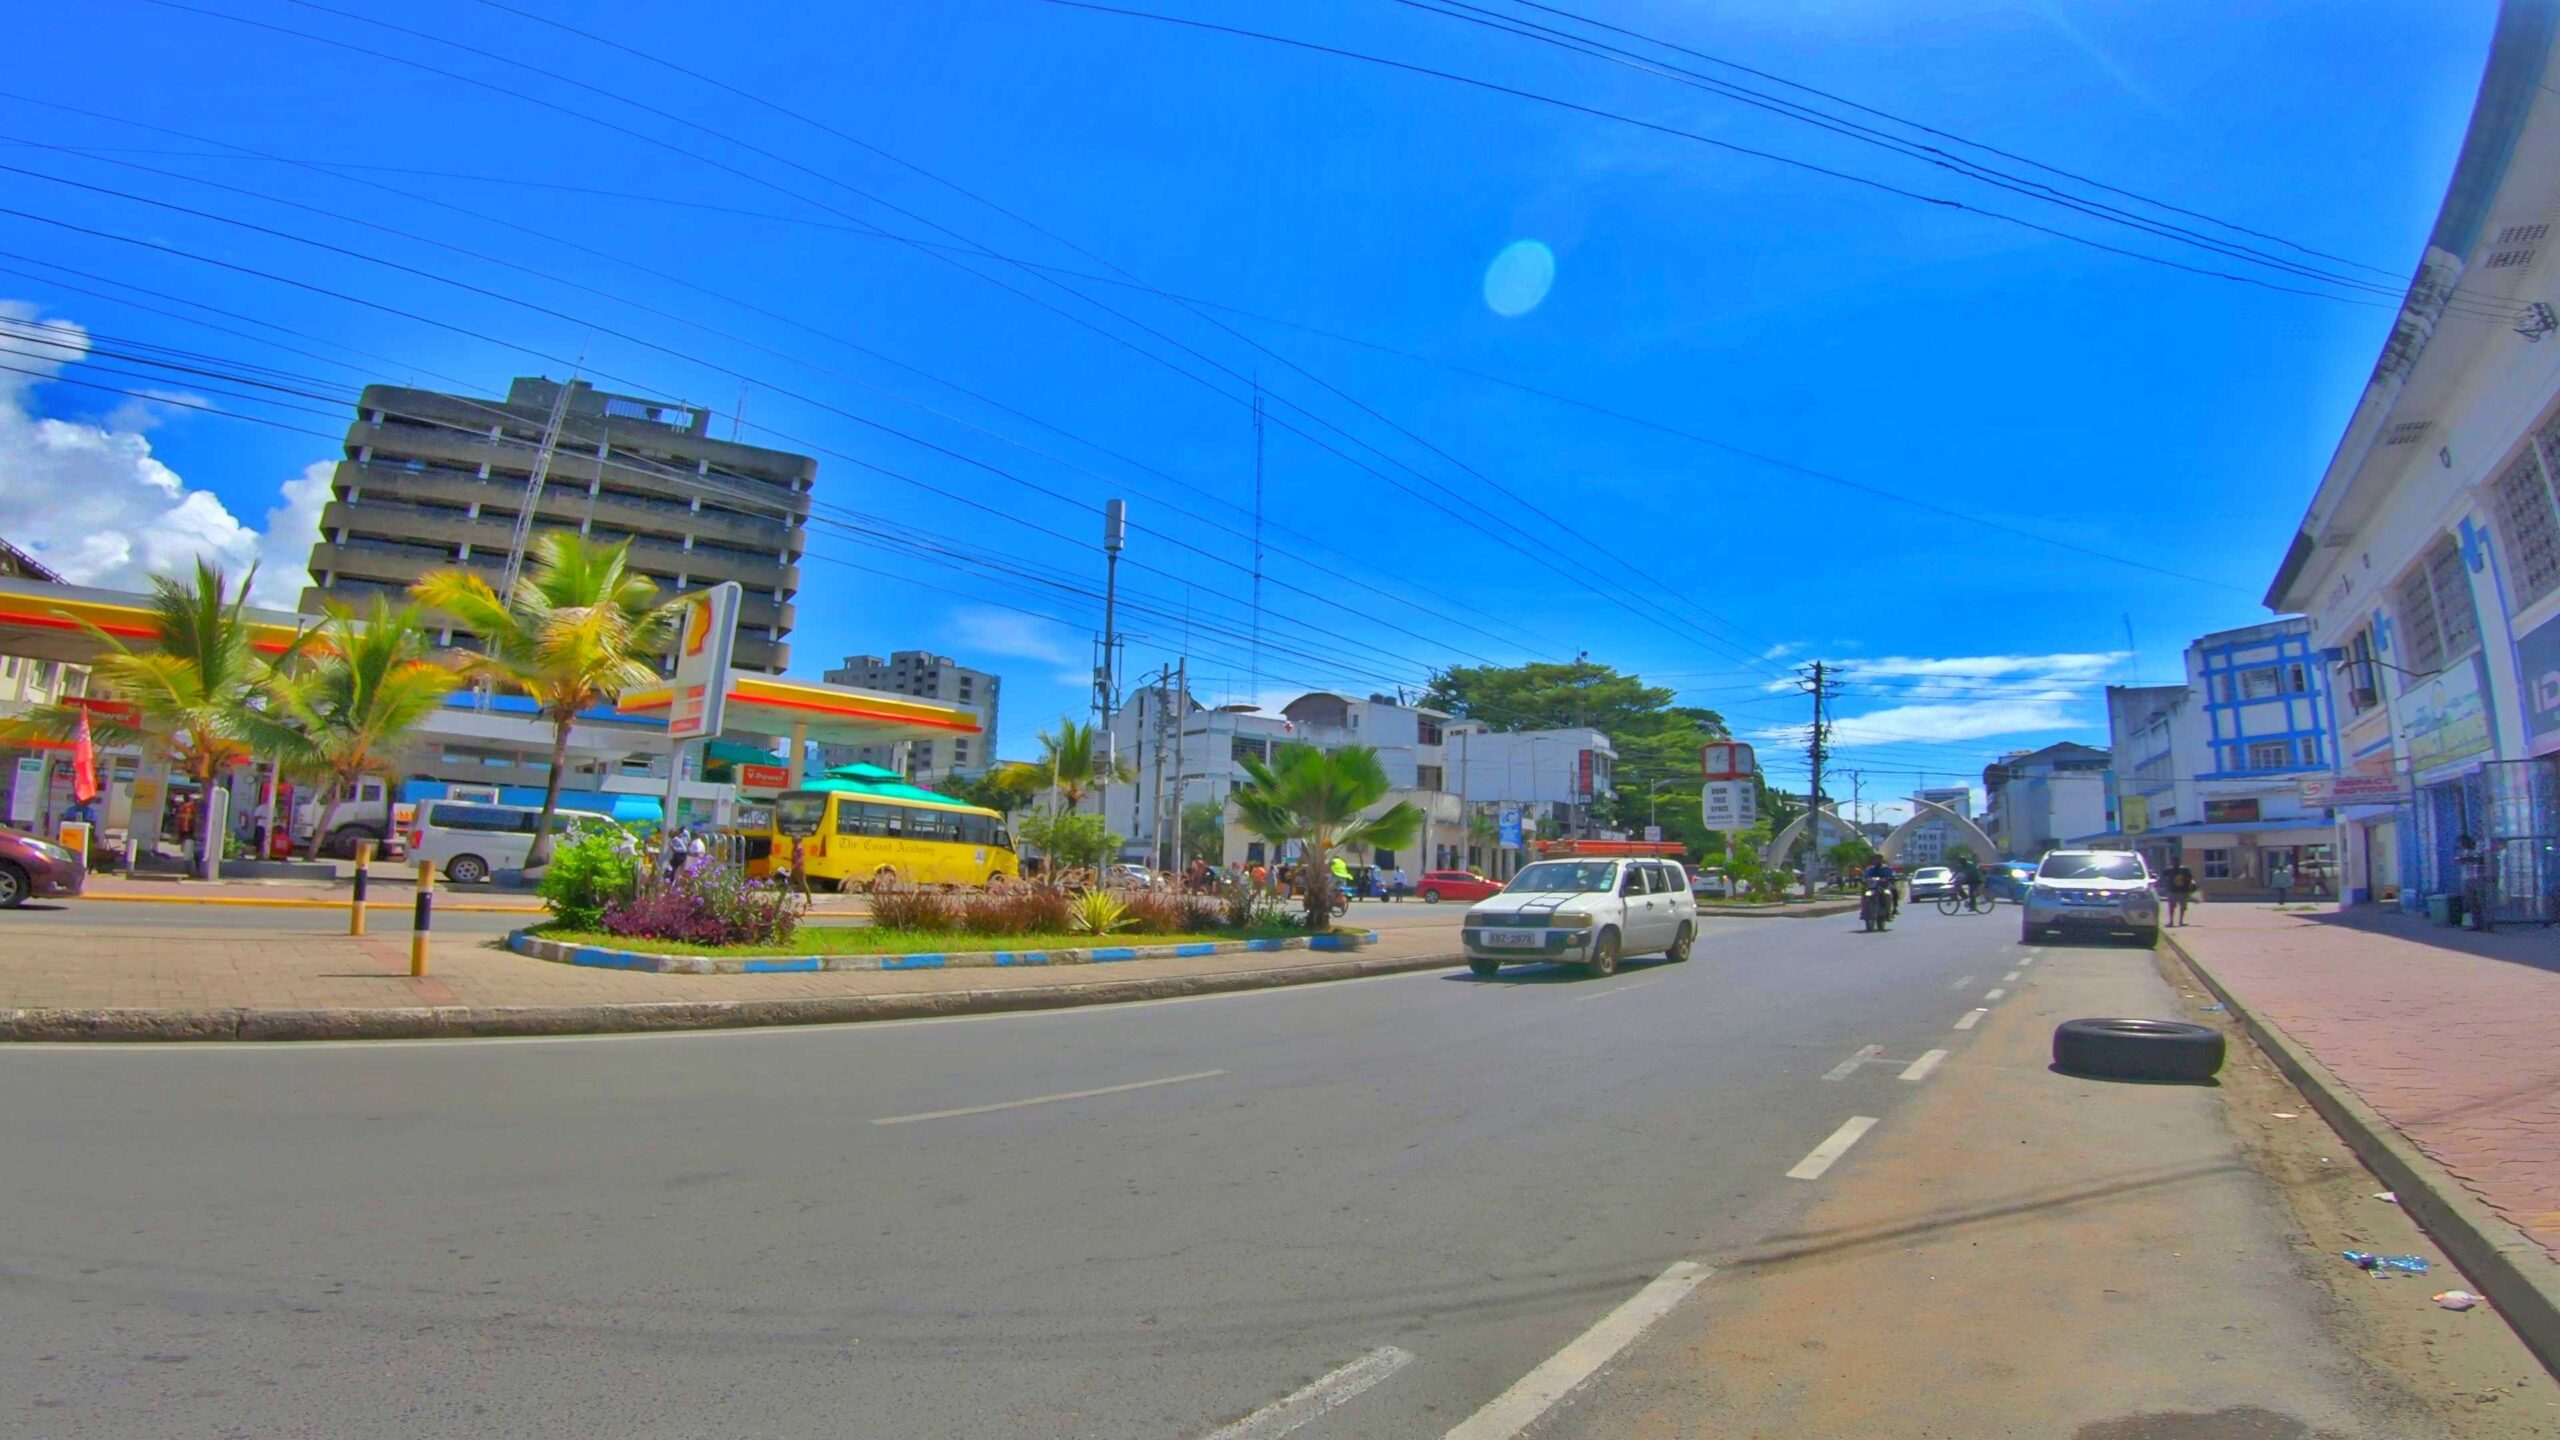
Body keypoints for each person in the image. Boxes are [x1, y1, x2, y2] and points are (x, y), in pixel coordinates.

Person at [1861, 854, 1899, 919]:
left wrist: (1892, 878)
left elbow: (1892, 875)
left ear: (1881, 860)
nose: (1876, 860)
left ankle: (1890, 911)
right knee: (1864, 895)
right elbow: (1865, 877)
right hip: (1872, 887)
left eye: (1878, 859)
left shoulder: (1886, 868)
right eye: (1875, 859)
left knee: (1889, 893)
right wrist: (1863, 879)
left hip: (1884, 887)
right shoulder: (1870, 869)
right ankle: (1864, 912)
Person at [2163, 858, 2197, 926]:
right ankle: (2172, 921)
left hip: (2181, 891)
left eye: (2176, 861)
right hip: (2174, 891)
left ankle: (2179, 921)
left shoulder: (2185, 870)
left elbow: (2191, 879)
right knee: (2173, 907)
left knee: (2182, 907)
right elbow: (2162, 877)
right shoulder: (2169, 870)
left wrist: (2193, 885)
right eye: (2174, 861)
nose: (2175, 863)